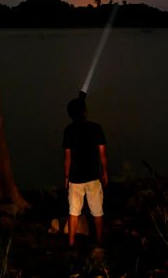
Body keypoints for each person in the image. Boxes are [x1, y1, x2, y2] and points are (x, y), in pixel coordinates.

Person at [62, 92, 108, 247]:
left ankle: (71, 243)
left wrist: (66, 176)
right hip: (94, 176)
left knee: (73, 212)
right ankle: (100, 242)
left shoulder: (69, 130)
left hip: (75, 178)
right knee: (97, 211)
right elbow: (102, 153)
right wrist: (105, 172)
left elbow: (67, 156)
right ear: (85, 112)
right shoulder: (96, 128)